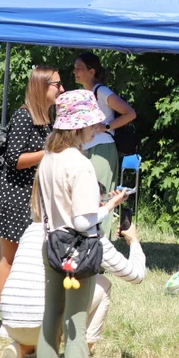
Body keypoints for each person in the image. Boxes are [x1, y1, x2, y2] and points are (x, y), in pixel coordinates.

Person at [34, 89, 130, 358]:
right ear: (78, 128)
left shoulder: (48, 158)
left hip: (52, 246)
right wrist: (108, 207)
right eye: (92, 123)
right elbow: (82, 219)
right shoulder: (82, 165)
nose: (96, 128)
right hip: (80, 252)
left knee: (51, 321)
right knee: (75, 327)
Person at [0, 219, 145, 358]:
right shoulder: (88, 232)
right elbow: (136, 275)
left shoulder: (34, 226)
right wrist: (134, 240)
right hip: (44, 321)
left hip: (10, 321)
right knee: (102, 284)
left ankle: (19, 348)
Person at [0, 67, 61, 302]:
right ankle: (6, 319)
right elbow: (13, 159)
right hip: (14, 198)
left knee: (31, 261)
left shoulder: (47, 120)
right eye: (57, 84)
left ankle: (25, 313)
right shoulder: (23, 116)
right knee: (9, 260)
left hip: (34, 199)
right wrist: (47, 152)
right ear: (42, 86)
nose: (62, 89)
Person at [73, 52, 136, 238]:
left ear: (91, 71)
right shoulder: (83, 93)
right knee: (85, 195)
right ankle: (87, 240)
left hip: (102, 149)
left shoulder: (101, 91)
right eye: (74, 67)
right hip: (85, 148)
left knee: (102, 195)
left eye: (79, 68)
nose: (74, 71)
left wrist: (106, 126)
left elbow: (129, 113)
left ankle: (103, 245)